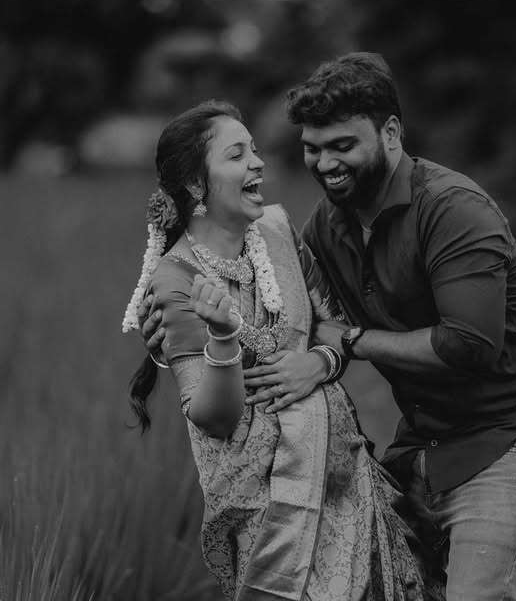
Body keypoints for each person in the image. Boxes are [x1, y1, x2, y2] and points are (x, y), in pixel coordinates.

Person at [142, 54, 516, 601]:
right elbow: (306, 321)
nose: (325, 163)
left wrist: (344, 344)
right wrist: (183, 339)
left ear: (391, 133)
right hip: (422, 446)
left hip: (510, 435)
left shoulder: (452, 210)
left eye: (343, 145)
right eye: (313, 148)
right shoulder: (326, 229)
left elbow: (469, 344)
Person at [121, 99, 441, 601]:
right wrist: (223, 337)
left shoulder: (276, 232)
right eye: (237, 155)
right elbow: (214, 418)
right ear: (196, 185)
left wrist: (319, 362)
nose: (258, 163)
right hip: (264, 504)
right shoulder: (177, 278)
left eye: (254, 150)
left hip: (340, 472)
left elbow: (336, 325)